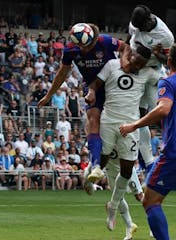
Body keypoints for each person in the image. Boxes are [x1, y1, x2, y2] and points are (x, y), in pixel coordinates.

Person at [37, 23, 129, 187]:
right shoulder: (70, 49)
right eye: (81, 47)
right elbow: (62, 73)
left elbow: (126, 47)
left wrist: (123, 64)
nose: (84, 50)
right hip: (91, 86)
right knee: (92, 120)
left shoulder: (105, 41)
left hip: (112, 84)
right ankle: (95, 167)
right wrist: (48, 95)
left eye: (87, 46)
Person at [85, 45, 157, 230]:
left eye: (141, 65)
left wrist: (161, 55)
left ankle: (113, 206)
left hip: (131, 126)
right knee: (101, 161)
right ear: (130, 56)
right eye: (135, 62)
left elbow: (167, 75)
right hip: (108, 121)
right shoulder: (112, 65)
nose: (137, 67)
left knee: (127, 170)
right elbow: (96, 83)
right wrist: (92, 92)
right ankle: (89, 179)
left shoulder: (148, 73)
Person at [119, 44, 176, 240]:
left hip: (174, 153)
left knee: (150, 200)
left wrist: (134, 125)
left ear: (169, 62)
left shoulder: (168, 83)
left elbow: (163, 109)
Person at [125, 5, 175, 177]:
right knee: (137, 115)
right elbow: (129, 37)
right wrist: (127, 57)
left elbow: (168, 60)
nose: (139, 30)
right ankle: (149, 163)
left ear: (149, 20)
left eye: (142, 27)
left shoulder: (165, 36)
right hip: (136, 69)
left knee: (163, 113)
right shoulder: (136, 24)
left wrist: (157, 54)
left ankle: (165, 155)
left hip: (153, 70)